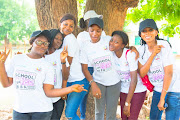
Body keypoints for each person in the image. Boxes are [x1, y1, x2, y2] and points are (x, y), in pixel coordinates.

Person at [0, 30, 87, 120]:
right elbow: (6, 84)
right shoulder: (17, 59)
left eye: (45, 43)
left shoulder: (47, 66)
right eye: (39, 42)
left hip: (41, 111)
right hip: (20, 110)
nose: (42, 45)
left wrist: (71, 89)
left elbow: (49, 92)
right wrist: (1, 64)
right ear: (32, 42)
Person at [138, 19, 180, 120]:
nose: (147, 33)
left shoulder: (164, 45)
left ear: (156, 32)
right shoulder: (141, 50)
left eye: (150, 30)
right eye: (144, 31)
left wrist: (162, 98)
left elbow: (169, 73)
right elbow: (142, 73)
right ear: (140, 34)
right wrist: (153, 55)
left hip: (173, 89)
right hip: (158, 90)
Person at [80, 17, 121, 120]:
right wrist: (93, 84)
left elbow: (120, 45)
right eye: (92, 30)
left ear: (102, 31)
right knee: (99, 112)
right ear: (88, 30)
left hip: (114, 82)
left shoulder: (108, 40)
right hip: (99, 82)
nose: (95, 34)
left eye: (98, 31)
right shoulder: (85, 46)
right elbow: (84, 68)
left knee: (111, 114)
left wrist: (132, 49)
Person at [109, 31, 147, 120]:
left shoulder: (129, 54)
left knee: (132, 117)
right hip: (123, 90)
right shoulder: (111, 53)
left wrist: (127, 103)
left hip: (137, 90)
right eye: (111, 40)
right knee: (124, 117)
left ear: (122, 45)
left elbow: (134, 80)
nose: (112, 43)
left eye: (116, 42)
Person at [59, 14, 89, 120]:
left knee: (70, 114)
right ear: (60, 24)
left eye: (71, 26)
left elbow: (68, 64)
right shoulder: (62, 39)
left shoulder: (70, 39)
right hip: (69, 81)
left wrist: (63, 87)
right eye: (65, 24)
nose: (68, 27)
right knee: (69, 113)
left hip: (78, 81)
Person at [77, 10, 106, 120]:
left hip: (100, 66)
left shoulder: (102, 33)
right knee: (84, 93)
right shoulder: (81, 35)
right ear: (88, 21)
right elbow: (80, 52)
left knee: (101, 92)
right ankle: (83, 117)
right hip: (87, 67)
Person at [44, 29, 68, 120]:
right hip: (44, 96)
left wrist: (63, 61)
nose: (59, 41)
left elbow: (65, 76)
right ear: (50, 38)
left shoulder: (60, 54)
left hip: (58, 96)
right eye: (56, 38)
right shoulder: (41, 55)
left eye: (61, 39)